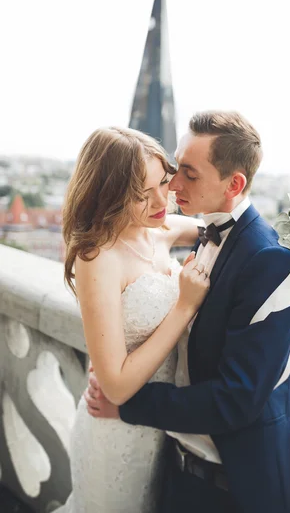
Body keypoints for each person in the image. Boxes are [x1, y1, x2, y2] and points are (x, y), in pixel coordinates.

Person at [87, 111, 290, 513]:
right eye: (174, 168)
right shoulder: (202, 230)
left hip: (237, 487)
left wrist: (127, 406)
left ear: (234, 184)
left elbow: (237, 399)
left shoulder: (269, 262)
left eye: (188, 173)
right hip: (176, 465)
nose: (172, 185)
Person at [58, 126, 210, 513]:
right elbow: (117, 387)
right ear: (109, 196)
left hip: (160, 426)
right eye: (142, 195)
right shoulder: (98, 258)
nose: (162, 200)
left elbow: (226, 229)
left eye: (163, 182)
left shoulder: (159, 230)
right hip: (115, 434)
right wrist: (184, 307)